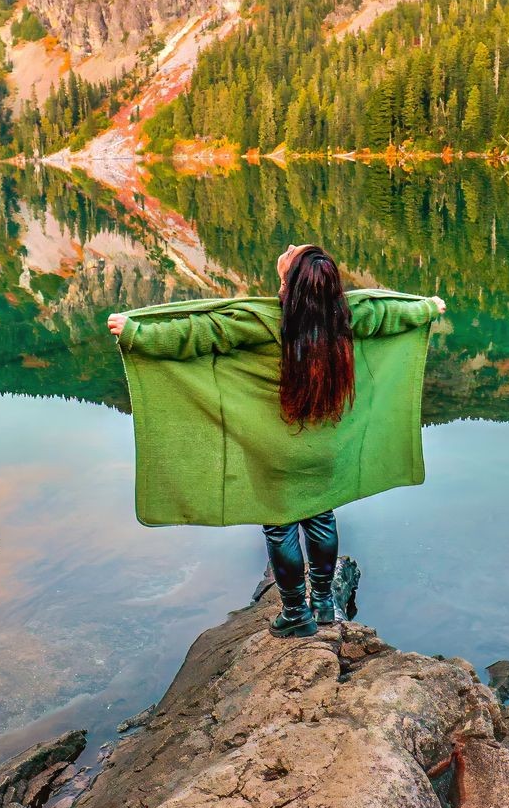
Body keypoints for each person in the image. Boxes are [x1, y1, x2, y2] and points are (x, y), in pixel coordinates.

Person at [109, 245, 443, 637]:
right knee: (321, 517)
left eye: (291, 252)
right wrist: (428, 308)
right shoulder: (348, 317)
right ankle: (323, 604)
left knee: (280, 527)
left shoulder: (258, 320)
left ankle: (295, 615)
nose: (285, 248)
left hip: (276, 454)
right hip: (327, 447)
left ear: (288, 280)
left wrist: (136, 334)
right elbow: (392, 315)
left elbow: (197, 334)